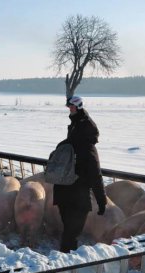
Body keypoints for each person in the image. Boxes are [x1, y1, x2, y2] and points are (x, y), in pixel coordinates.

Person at [52, 96, 107, 253]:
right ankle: (67, 264)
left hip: (63, 193)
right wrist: (101, 201)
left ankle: (64, 261)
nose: (70, 110)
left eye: (72, 108)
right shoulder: (86, 148)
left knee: (68, 233)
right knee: (72, 234)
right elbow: (96, 175)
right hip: (77, 197)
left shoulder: (67, 144)